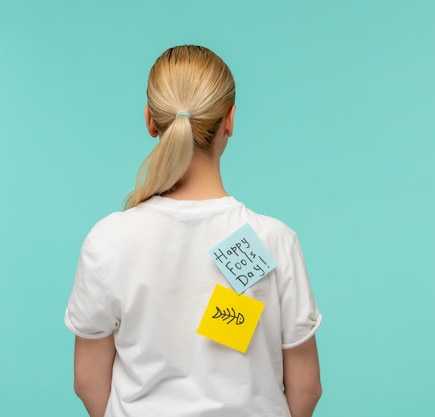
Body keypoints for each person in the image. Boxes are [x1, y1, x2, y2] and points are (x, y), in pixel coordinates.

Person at [64, 45, 322, 417]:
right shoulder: (273, 240)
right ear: (230, 121)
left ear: (150, 121)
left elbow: (87, 382)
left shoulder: (108, 240)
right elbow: (307, 388)